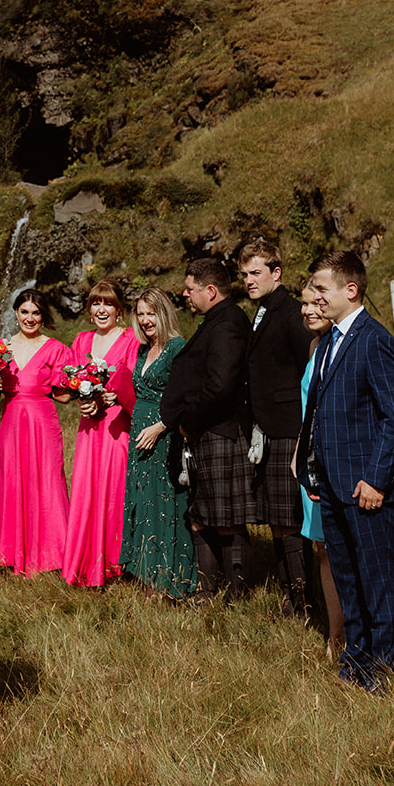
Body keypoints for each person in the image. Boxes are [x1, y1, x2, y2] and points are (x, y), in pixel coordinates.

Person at [296, 250, 394, 690]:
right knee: (349, 580)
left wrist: (376, 478)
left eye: (321, 289)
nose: (313, 296)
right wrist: (312, 472)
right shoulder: (329, 342)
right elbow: (320, 414)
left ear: (349, 291)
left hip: (366, 488)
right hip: (332, 486)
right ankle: (356, 662)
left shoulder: (374, 340)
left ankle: (383, 669)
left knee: (378, 582)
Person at [160, 257, 253, 601]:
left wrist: (188, 422)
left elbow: (221, 386)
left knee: (225, 517)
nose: (185, 294)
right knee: (201, 515)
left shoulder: (227, 322)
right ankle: (207, 591)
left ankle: (236, 596)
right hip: (207, 433)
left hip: (220, 431)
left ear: (210, 291)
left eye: (190, 289)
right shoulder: (216, 319)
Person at [240, 237, 312, 614]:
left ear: (276, 272)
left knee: (288, 519)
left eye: (256, 273)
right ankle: (291, 593)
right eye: (245, 274)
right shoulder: (263, 310)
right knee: (277, 520)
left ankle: (300, 599)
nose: (249, 280)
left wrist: (305, 431)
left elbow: (309, 372)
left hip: (290, 428)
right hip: (268, 429)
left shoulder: (291, 312)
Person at [58, 279, 138, 588]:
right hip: (89, 428)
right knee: (87, 491)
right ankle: (89, 562)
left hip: (118, 426)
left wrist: (116, 396)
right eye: (96, 303)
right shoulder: (81, 341)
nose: (101, 309)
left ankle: (118, 565)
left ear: (119, 308)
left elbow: (136, 382)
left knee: (114, 491)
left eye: (107, 303)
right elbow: (73, 382)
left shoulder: (131, 339)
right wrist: (84, 400)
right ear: (90, 309)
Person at [118, 289, 196, 599]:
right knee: (142, 502)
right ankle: (146, 574)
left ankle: (170, 578)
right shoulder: (141, 349)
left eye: (151, 313)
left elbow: (185, 397)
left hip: (163, 436)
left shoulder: (178, 348)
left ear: (163, 313)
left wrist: (160, 426)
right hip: (139, 435)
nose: (145, 319)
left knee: (166, 504)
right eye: (140, 314)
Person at [0, 287, 72, 575]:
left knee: (48, 481)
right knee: (14, 483)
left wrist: (62, 381)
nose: (30, 317)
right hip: (12, 423)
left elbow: (64, 397)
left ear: (42, 316)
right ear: (15, 313)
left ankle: (54, 556)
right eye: (24, 311)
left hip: (43, 422)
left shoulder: (57, 348)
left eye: (36, 313)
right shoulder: (0, 349)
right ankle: (16, 555)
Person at [291, 284, 344, 660]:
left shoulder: (347, 345)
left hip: (339, 462)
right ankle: (335, 634)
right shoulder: (313, 347)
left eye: (316, 303)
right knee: (322, 549)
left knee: (344, 549)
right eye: (305, 304)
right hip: (310, 463)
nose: (309, 310)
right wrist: (297, 453)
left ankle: (353, 632)